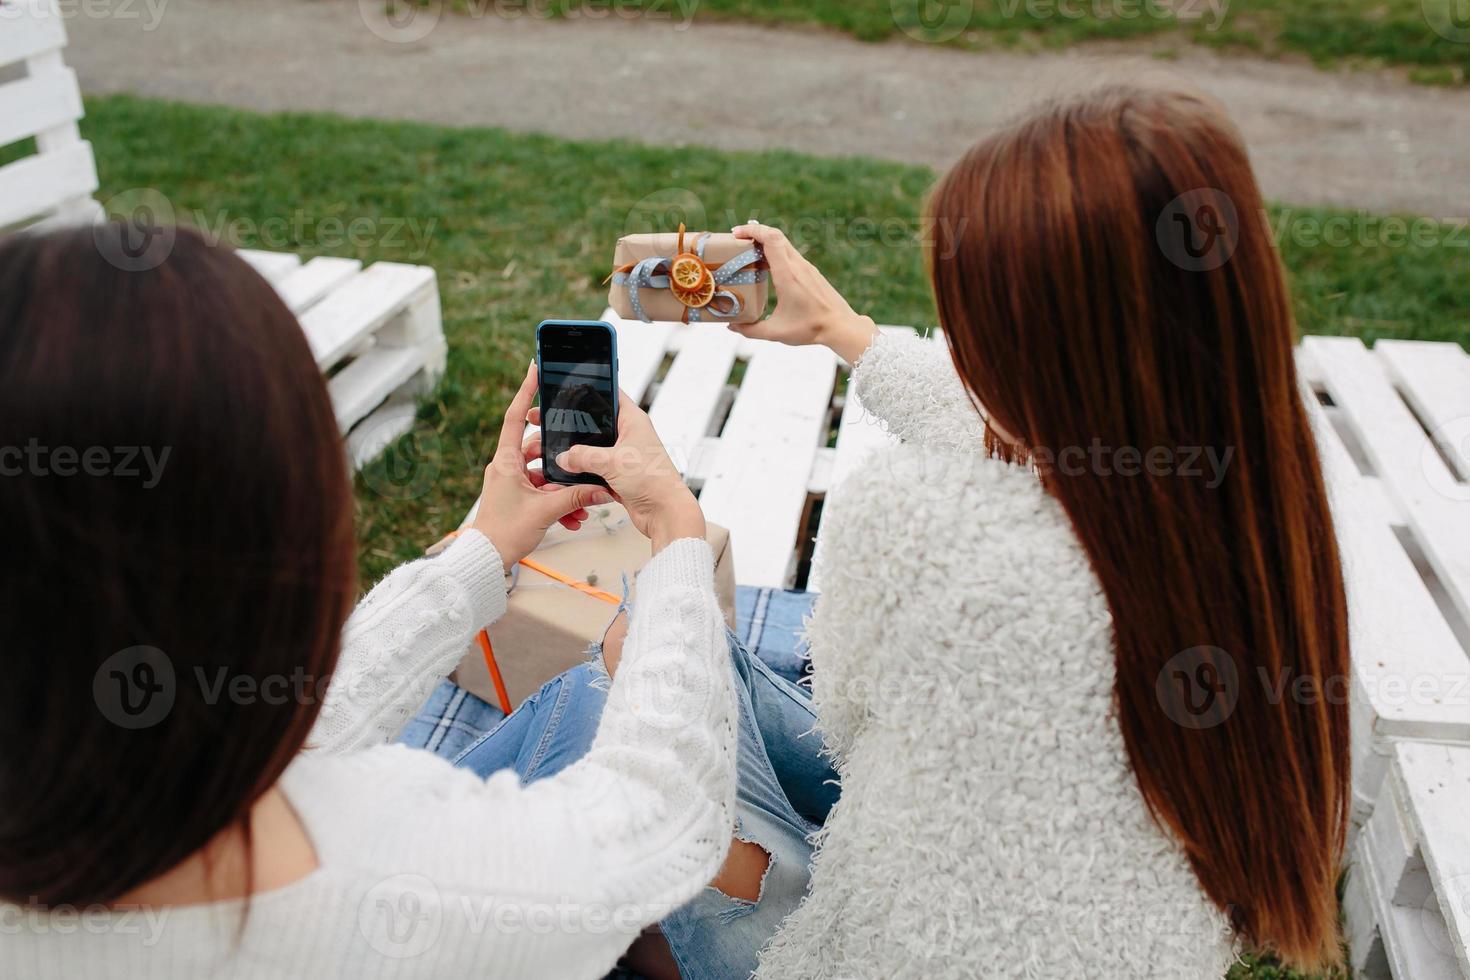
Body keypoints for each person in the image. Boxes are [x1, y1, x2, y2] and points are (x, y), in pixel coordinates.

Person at [435, 84, 1351, 978]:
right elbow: (1041, 458)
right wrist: (843, 331)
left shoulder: (925, 524)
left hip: (866, 947)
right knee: (668, 661)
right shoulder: (1249, 501)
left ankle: (408, 871)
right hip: (1057, 914)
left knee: (624, 689)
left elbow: (844, 717)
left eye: (969, 303)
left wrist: (674, 522)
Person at [0, 224, 740, 979]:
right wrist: (677, 538)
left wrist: (483, 549)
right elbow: (656, 818)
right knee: (593, 693)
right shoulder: (408, 876)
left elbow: (292, 729)